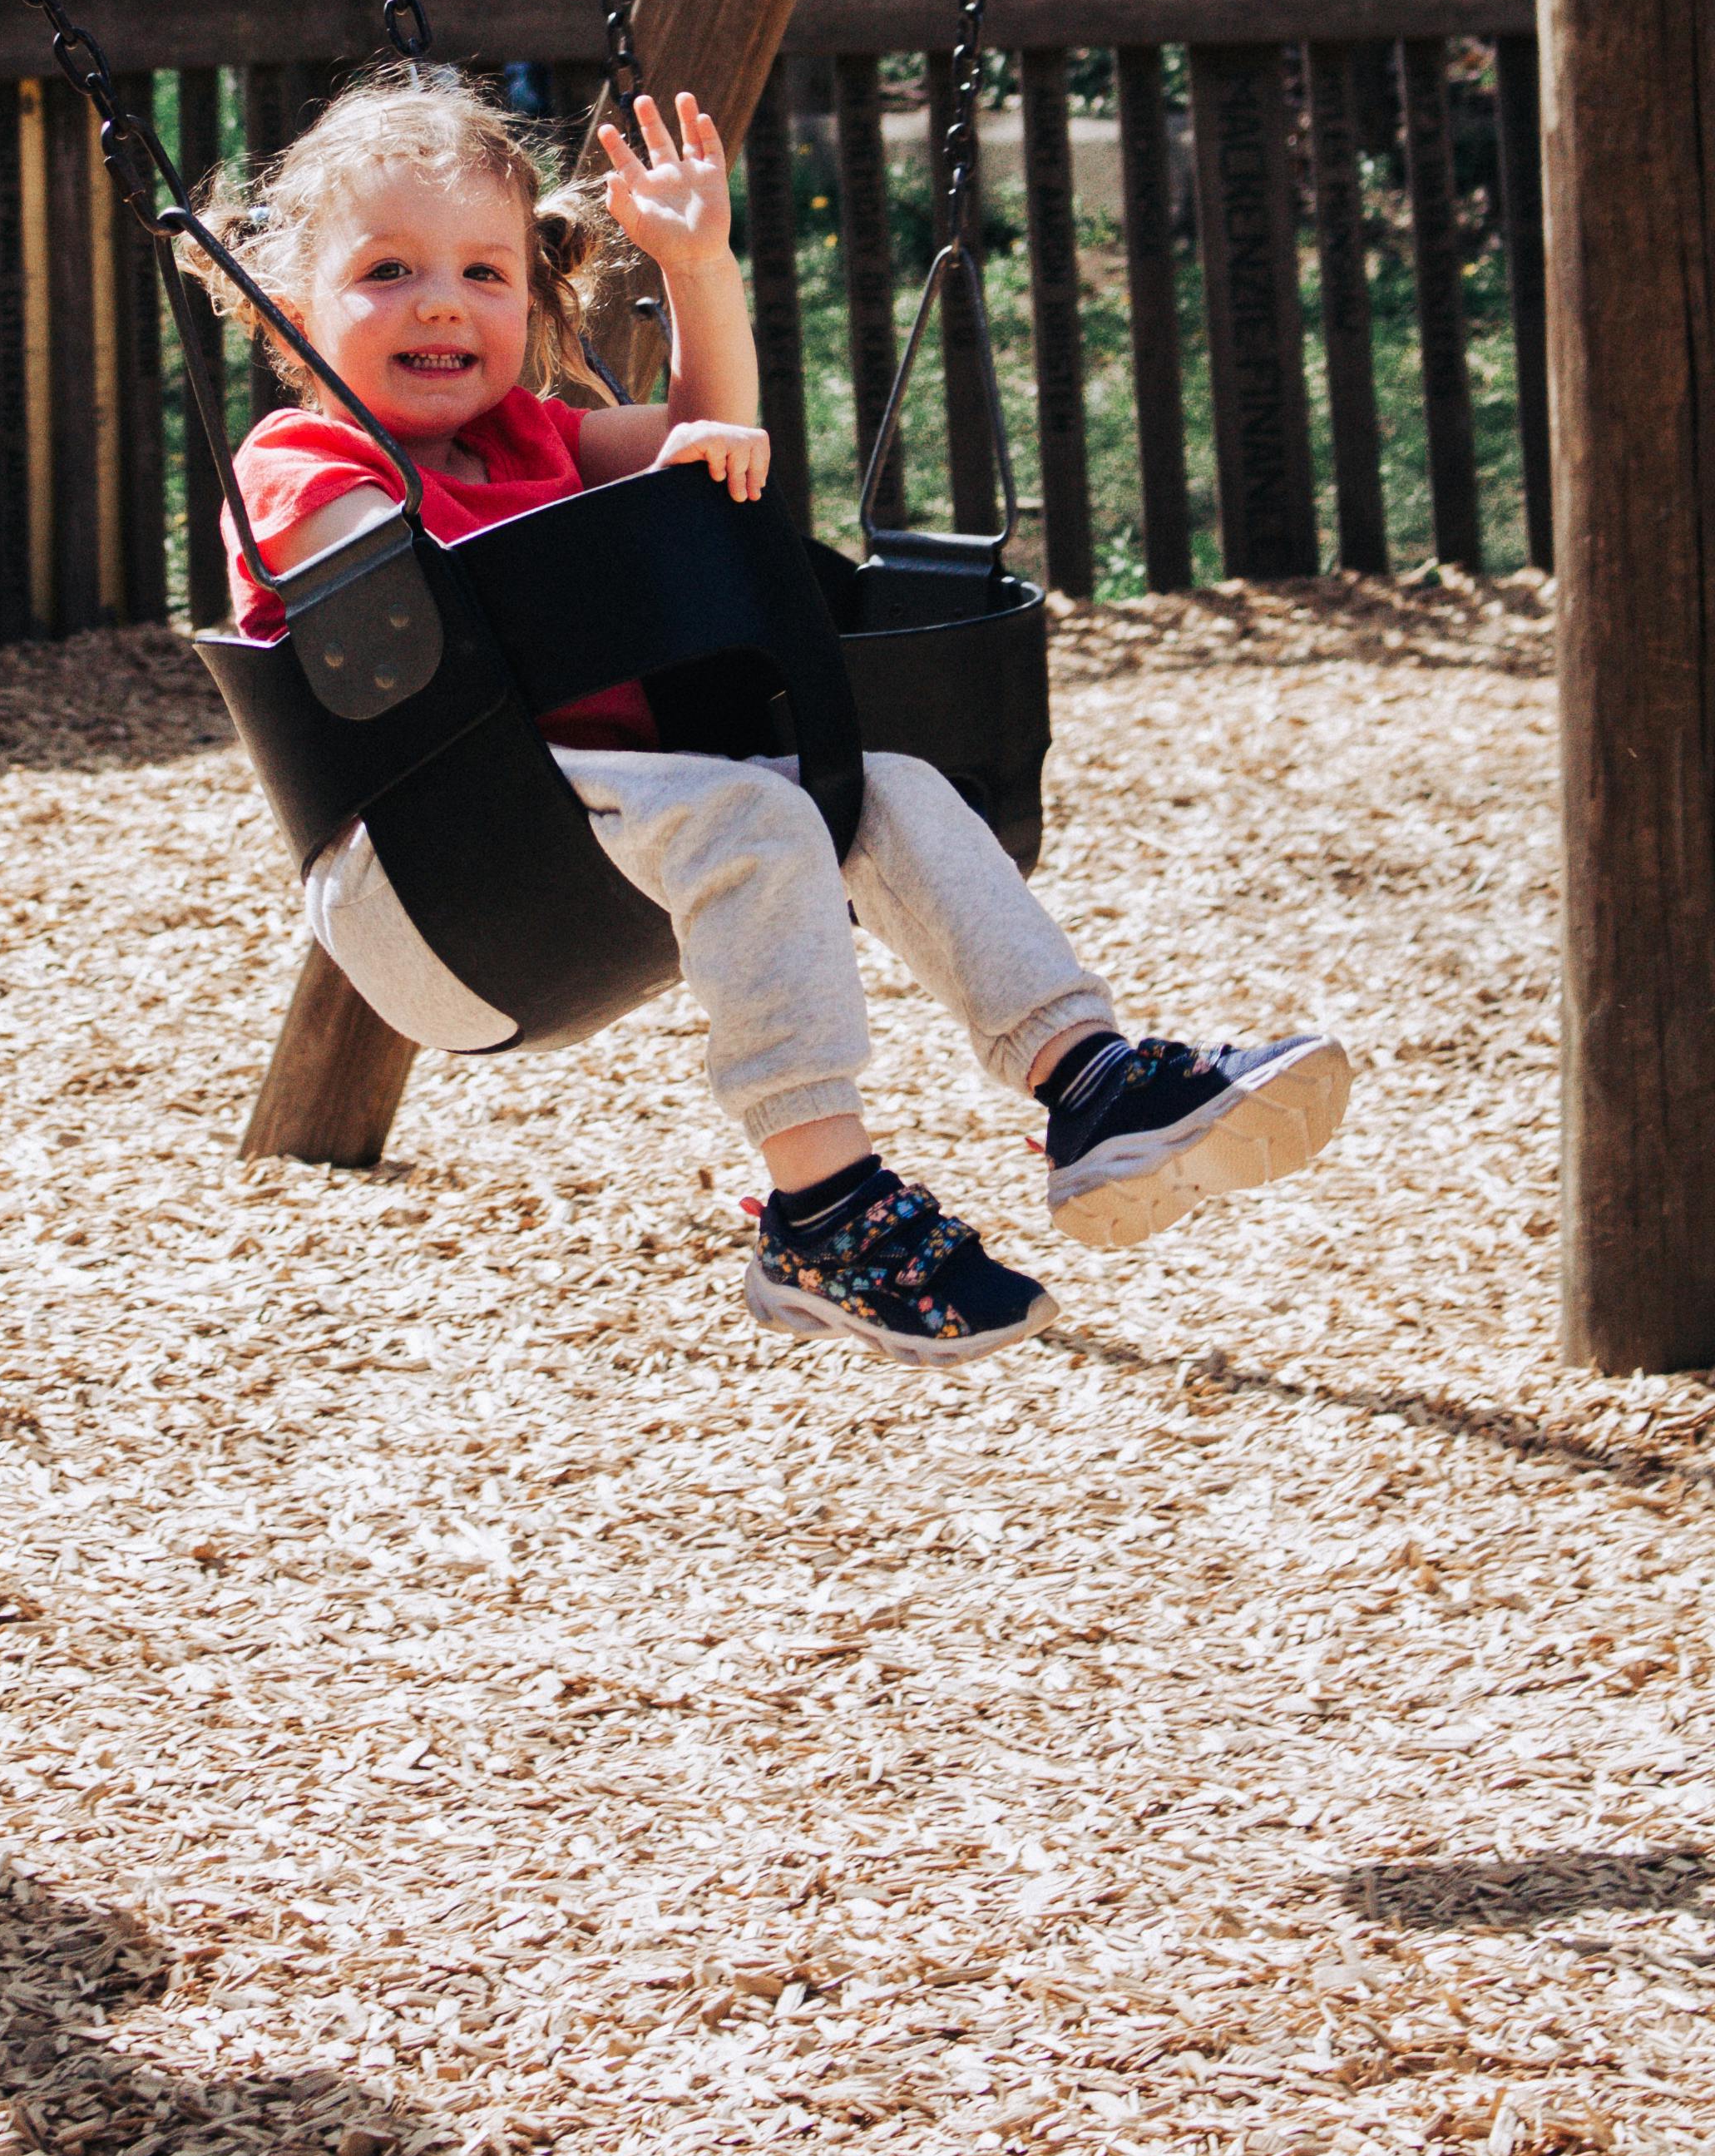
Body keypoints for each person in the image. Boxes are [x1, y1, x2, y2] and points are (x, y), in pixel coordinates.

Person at [205, 71, 1352, 1372]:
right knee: (754, 808)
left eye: (485, 273)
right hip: (435, 868)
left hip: (596, 834)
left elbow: (712, 445)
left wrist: (699, 264)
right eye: (388, 271)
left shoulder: (544, 437)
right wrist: (631, 532)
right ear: (291, 308)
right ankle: (824, 1210)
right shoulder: (303, 463)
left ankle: (1090, 1080)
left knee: (880, 783)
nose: (441, 302)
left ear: (531, 303)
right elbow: (396, 603)